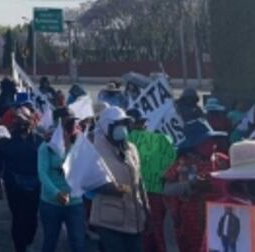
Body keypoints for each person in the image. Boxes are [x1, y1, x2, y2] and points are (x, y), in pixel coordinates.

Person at [88, 106, 149, 252]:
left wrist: (146, 207)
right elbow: (86, 181)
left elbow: (139, 180)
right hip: (109, 219)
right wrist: (111, 188)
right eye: (117, 125)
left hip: (134, 216)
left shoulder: (131, 148)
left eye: (124, 124)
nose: (122, 129)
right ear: (107, 127)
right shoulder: (94, 149)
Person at [162, 119, 229, 252]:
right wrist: (191, 185)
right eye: (206, 141)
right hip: (191, 222)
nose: (212, 144)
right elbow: (167, 190)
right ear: (195, 144)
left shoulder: (223, 161)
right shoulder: (183, 162)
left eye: (212, 140)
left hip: (220, 220)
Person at [0, 108, 42, 252]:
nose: (21, 123)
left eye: (24, 120)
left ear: (31, 121)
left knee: (31, 218)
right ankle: (20, 248)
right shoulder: (6, 141)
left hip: (35, 186)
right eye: (18, 120)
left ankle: (28, 241)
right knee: (18, 217)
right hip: (14, 185)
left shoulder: (39, 140)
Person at [127, 108, 175, 252]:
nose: (145, 125)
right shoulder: (161, 140)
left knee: (141, 229)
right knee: (155, 228)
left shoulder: (121, 142)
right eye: (141, 122)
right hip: (153, 192)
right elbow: (171, 162)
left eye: (144, 122)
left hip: (134, 192)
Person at [38, 107, 86, 252]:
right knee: (50, 242)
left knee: (78, 244)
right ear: (58, 123)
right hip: (51, 203)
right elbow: (42, 173)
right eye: (68, 122)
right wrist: (56, 193)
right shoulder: (46, 146)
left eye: (73, 122)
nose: (72, 125)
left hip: (75, 203)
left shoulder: (79, 144)